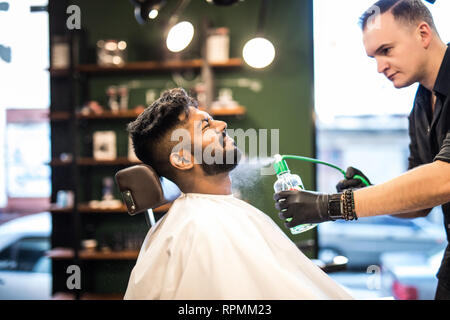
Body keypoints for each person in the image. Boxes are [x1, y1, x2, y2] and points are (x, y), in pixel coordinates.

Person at [274, 0, 450, 299]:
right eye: (373, 57)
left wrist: (332, 205)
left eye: (386, 50)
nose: (380, 67)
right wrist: (367, 191)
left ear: (423, 34)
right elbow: (420, 206)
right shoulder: (421, 108)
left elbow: (445, 179)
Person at [124, 88, 352, 300]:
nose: (222, 124)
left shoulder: (205, 217)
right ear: (182, 158)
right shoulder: (203, 229)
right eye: (205, 126)